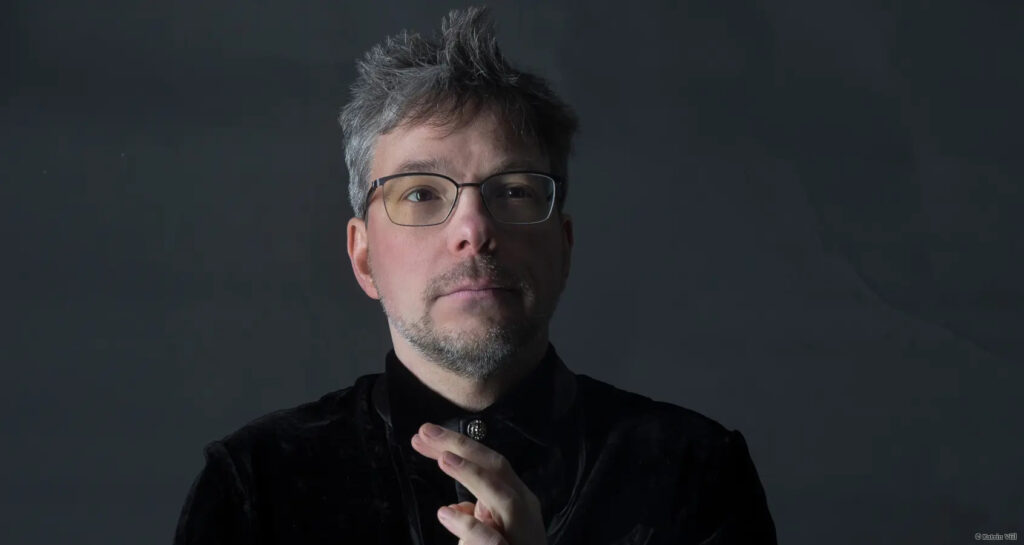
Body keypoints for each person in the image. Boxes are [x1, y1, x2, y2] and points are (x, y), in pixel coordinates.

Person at [174, 7, 777, 545]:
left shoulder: (693, 473)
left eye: (512, 191)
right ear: (363, 258)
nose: (474, 229)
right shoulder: (256, 484)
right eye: (420, 193)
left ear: (564, 247)